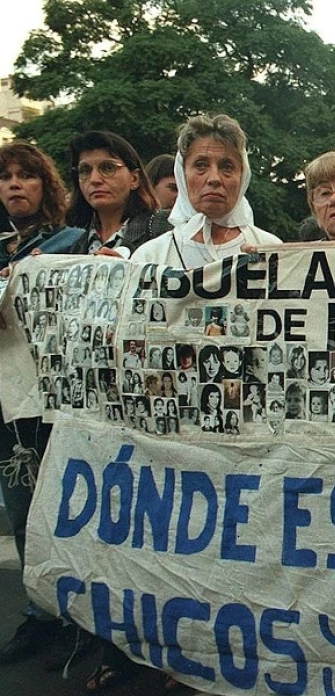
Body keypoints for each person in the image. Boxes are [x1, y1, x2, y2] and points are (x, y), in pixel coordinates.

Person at [0, 141, 91, 666]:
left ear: (46, 186)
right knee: (21, 512)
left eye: (26, 176)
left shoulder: (71, 244)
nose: (15, 185)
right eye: (6, 177)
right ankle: (38, 615)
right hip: (8, 406)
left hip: (56, 404)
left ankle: (76, 616)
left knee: (67, 511)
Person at [133, 114, 280, 266]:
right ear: (182, 175)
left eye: (227, 167)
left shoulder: (271, 251)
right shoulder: (150, 257)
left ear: (242, 177)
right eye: (201, 165)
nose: (214, 178)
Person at [65, 131, 172, 256]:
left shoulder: (165, 226)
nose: (94, 179)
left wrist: (130, 270)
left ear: (134, 179)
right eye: (85, 170)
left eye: (108, 168)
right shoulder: (75, 247)